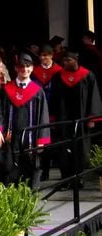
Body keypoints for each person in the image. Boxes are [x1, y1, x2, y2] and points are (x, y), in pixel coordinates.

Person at [0, 53, 51, 188]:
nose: (24, 69)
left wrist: (41, 141)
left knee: (29, 176)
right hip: (10, 140)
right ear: (15, 68)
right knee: (8, 174)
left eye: (28, 66)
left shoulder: (37, 91)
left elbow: (43, 117)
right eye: (21, 66)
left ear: (32, 68)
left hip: (30, 142)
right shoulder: (6, 90)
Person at [50, 50, 102, 189]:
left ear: (76, 60)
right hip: (63, 119)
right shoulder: (58, 76)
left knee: (80, 150)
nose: (65, 63)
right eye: (64, 61)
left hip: (82, 120)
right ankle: (65, 179)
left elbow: (94, 97)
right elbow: (53, 98)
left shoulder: (87, 75)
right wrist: (53, 117)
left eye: (68, 60)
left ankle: (78, 179)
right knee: (64, 149)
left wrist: (92, 118)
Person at [31, 44, 62, 181]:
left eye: (45, 55)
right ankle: (44, 171)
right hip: (39, 112)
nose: (42, 58)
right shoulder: (34, 71)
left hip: (54, 112)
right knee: (42, 142)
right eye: (41, 55)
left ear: (51, 56)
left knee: (56, 143)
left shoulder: (59, 71)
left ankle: (61, 170)